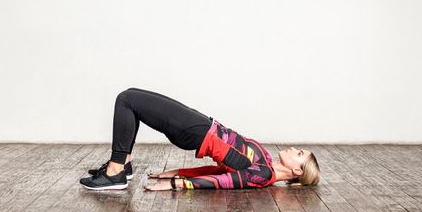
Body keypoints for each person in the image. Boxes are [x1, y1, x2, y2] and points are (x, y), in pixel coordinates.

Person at [79, 87, 321, 191]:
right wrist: (178, 172)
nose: (294, 149)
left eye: (299, 154)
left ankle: (115, 172)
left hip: (195, 132)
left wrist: (175, 185)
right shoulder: (265, 160)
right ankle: (124, 165)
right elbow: (217, 170)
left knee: (127, 100)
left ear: (298, 171)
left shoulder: (264, 176)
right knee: (131, 96)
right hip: (202, 124)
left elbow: (222, 181)